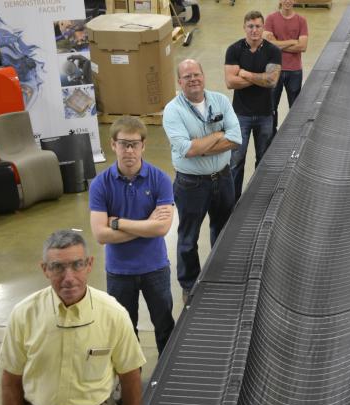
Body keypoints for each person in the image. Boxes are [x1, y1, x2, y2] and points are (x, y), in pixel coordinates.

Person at [0, 230, 146, 405]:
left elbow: (131, 378)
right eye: (57, 267)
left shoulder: (113, 314)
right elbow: (10, 383)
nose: (69, 278)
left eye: (77, 265)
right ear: (45, 269)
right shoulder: (24, 315)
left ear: (89, 264)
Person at [89, 116, 175, 354]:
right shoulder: (100, 184)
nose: (129, 150)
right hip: (119, 272)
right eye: (123, 143)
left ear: (143, 146)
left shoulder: (160, 179)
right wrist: (146, 225)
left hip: (155, 268)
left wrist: (118, 223)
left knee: (165, 326)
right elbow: (100, 235)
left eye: (134, 144)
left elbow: (162, 228)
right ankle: (130, 382)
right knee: (124, 331)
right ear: (113, 144)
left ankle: (168, 377)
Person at [163, 59, 242, 301]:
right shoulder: (173, 110)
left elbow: (236, 138)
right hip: (191, 184)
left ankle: (220, 274)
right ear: (179, 82)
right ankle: (189, 284)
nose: (193, 79)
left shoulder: (220, 100)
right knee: (188, 237)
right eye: (187, 76)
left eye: (196, 74)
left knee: (223, 230)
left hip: (223, 177)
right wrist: (218, 135)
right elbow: (187, 149)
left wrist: (201, 146)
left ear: (204, 76)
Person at [224, 10, 282, 200]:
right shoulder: (234, 50)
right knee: (236, 161)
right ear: (244, 28)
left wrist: (246, 74)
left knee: (263, 159)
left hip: (265, 114)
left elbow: (272, 82)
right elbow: (230, 83)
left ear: (263, 28)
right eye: (250, 26)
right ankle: (233, 201)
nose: (254, 30)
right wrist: (261, 77)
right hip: (240, 116)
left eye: (258, 26)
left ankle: (260, 198)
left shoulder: (273, 51)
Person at [263, 0, 309, 137]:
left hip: (294, 70)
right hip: (274, 69)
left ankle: (294, 136)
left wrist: (277, 43)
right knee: (271, 107)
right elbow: (267, 45)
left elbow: (303, 47)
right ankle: (271, 136)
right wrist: (292, 41)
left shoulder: (301, 21)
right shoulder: (271, 19)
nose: (287, 1)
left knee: (295, 108)